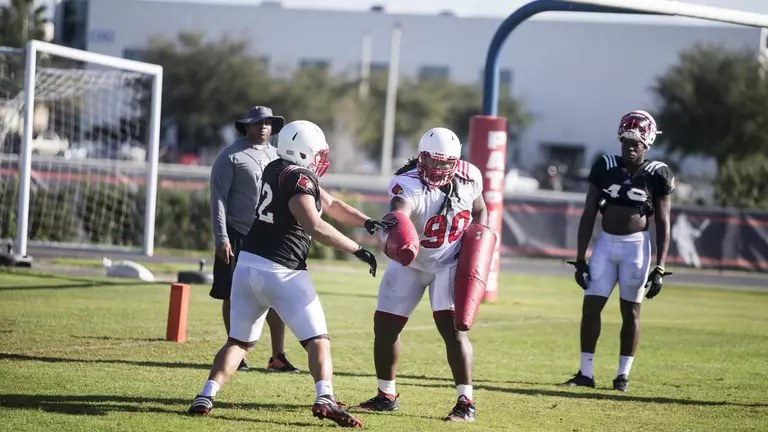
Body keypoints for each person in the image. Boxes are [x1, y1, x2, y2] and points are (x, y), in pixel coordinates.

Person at [189, 119, 393, 428]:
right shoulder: (299, 180)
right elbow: (315, 225)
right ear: (302, 152)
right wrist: (358, 249)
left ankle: (206, 395)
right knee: (318, 339)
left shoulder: (275, 168)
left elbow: (331, 204)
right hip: (283, 271)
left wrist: (367, 222)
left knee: (238, 343)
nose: (321, 159)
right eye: (317, 153)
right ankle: (325, 397)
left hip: (248, 267)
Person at [351, 127, 487, 422]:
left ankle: (466, 403)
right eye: (431, 161)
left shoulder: (470, 177)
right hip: (410, 262)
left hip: (449, 262)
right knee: (385, 327)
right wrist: (394, 235)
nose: (436, 168)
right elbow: (397, 213)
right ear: (420, 157)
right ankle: (386, 396)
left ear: (455, 162)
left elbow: (479, 210)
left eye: (443, 163)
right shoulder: (407, 184)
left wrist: (477, 243)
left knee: (453, 332)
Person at [560, 110, 675, 392]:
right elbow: (589, 212)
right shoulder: (605, 165)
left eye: (636, 143)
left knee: (631, 311)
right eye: (626, 142)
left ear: (647, 144)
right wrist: (580, 259)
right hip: (605, 244)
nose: (630, 147)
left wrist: (660, 267)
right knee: (590, 308)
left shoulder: (658, 172)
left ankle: (623, 375)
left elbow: (663, 222)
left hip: (636, 247)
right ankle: (585, 373)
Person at [208, 105, 299, 373]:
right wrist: (221, 235)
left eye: (268, 123)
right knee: (232, 294)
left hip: (268, 236)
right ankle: (237, 355)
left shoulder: (278, 155)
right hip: (236, 234)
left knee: (275, 294)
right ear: (246, 126)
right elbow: (218, 197)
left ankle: (278, 357)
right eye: (258, 122)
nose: (263, 127)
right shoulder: (230, 156)